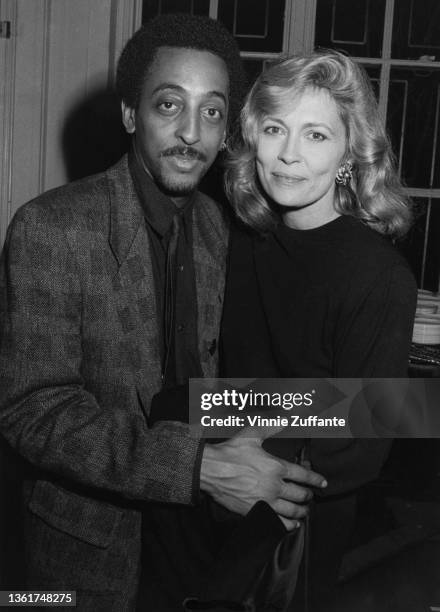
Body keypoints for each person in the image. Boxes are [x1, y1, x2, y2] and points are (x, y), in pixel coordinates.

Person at [0, 14, 326, 611]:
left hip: (200, 550)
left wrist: (313, 413)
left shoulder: (223, 233)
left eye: (211, 112)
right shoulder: (51, 228)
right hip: (84, 558)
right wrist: (198, 467)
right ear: (131, 115)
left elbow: (231, 385)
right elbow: (31, 410)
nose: (190, 133)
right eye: (169, 104)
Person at [222, 50, 417, 610]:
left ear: (349, 157)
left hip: (301, 524)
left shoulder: (379, 276)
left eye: (315, 136)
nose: (287, 154)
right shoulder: (239, 240)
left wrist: (226, 429)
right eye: (275, 129)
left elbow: (370, 439)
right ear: (253, 137)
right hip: (215, 493)